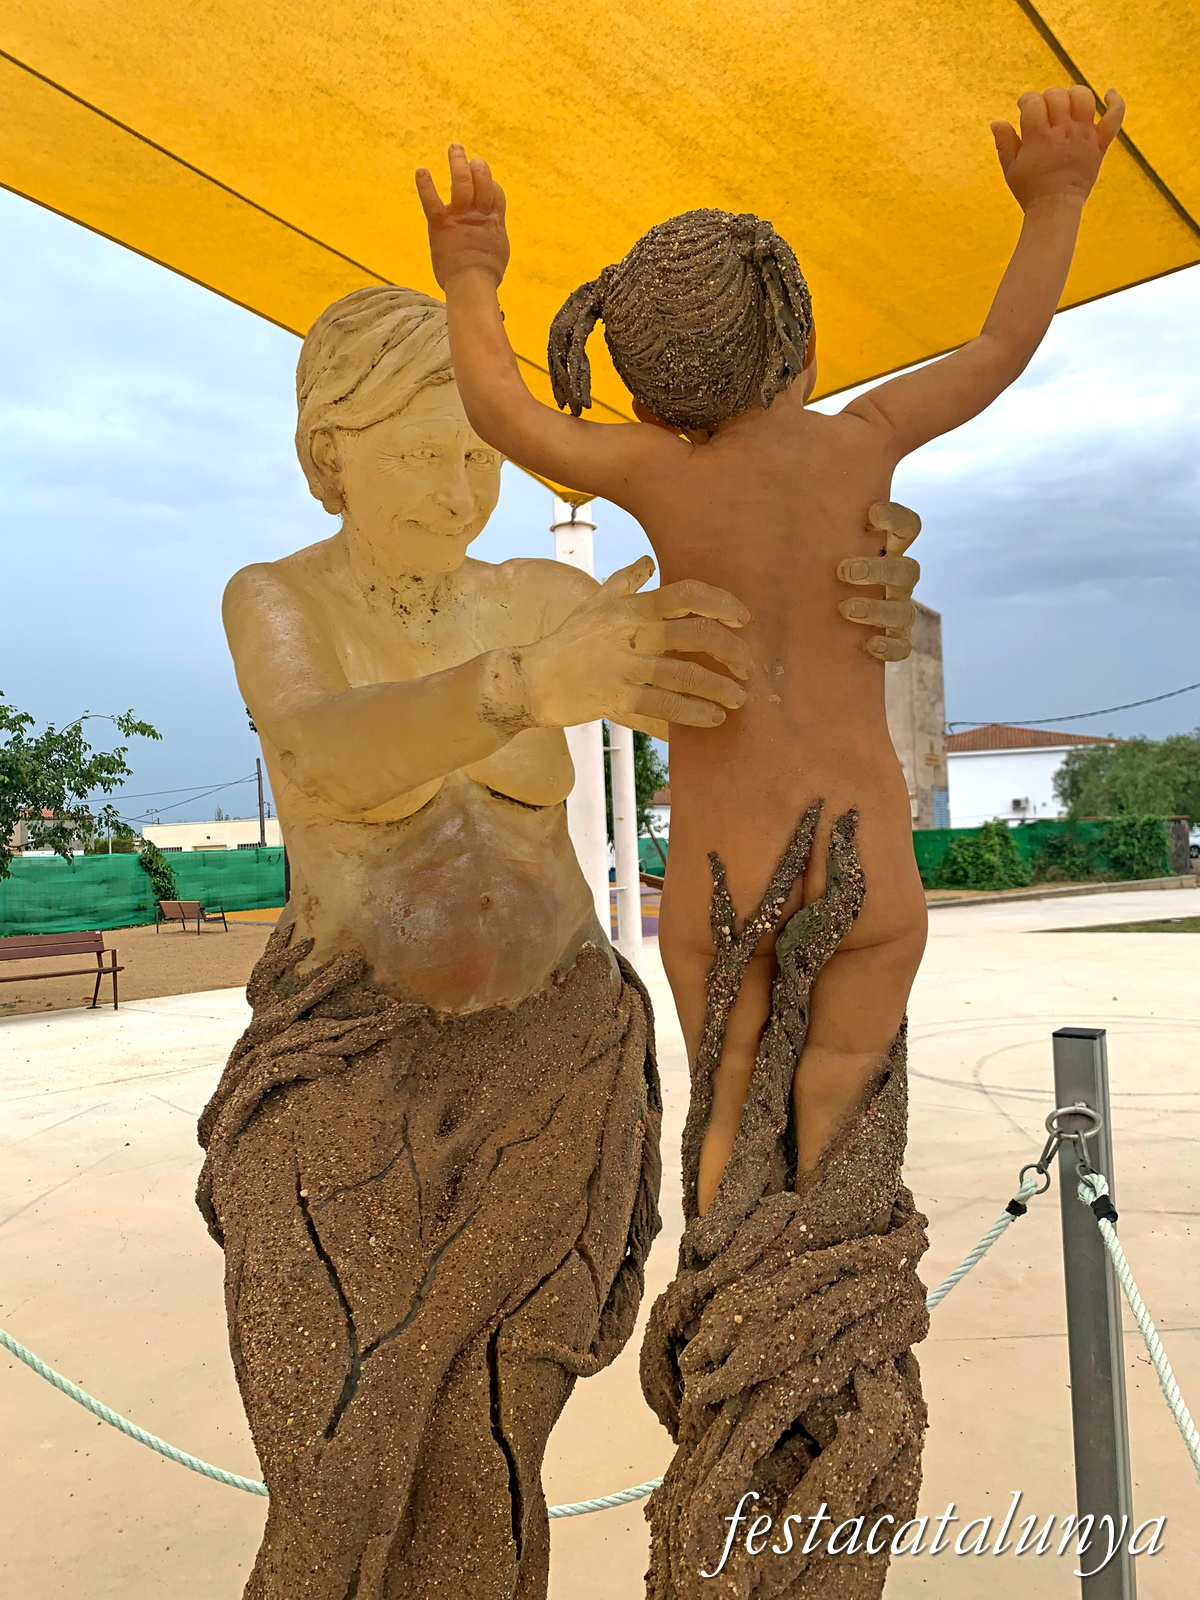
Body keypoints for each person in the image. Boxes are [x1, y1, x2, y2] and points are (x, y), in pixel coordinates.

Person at [417, 84, 1124, 1597]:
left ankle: (747, 1279)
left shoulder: (650, 472)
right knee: (842, 1104)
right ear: (796, 337)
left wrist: (472, 271)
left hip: (724, 877)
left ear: (652, 368)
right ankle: (821, 1271)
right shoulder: (863, 439)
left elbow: (504, 411)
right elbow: (1002, 348)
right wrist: (1055, 199)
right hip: (870, 863)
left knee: (731, 1123)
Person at [199, 285, 759, 1600]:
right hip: (347, 1069)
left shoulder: (542, 594)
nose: (459, 493)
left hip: (552, 1062)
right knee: (333, 1471)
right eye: (419, 455)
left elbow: (733, 664)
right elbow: (321, 756)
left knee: (487, 1456)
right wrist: (519, 687)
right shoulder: (279, 599)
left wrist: (836, 575)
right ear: (329, 453)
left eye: (480, 457)